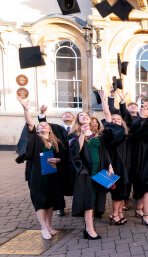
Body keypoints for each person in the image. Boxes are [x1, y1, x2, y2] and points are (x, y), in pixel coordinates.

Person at [69, 110, 124, 239]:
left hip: (99, 172)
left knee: (94, 200)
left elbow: (104, 152)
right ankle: (89, 229)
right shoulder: (74, 136)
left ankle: (89, 226)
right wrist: (82, 134)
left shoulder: (98, 135)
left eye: (86, 115)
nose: (84, 116)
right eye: (81, 115)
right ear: (78, 120)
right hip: (85, 172)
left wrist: (110, 165)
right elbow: (77, 151)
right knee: (88, 201)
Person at [16, 97, 65, 240]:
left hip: (52, 174)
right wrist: (26, 109)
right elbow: (30, 124)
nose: (43, 126)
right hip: (37, 175)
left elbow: (63, 156)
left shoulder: (56, 142)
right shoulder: (35, 140)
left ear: (50, 128)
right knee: (40, 200)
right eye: (40, 126)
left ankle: (49, 224)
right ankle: (43, 227)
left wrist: (59, 159)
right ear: (37, 129)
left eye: (46, 125)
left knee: (51, 200)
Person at [98, 89, 130, 225]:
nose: (115, 120)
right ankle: (114, 214)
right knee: (114, 190)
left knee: (121, 190)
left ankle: (117, 213)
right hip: (111, 162)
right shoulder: (108, 131)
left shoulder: (123, 132)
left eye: (118, 119)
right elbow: (107, 113)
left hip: (122, 163)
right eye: (113, 119)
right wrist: (103, 98)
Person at [37, 106, 74, 217]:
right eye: (65, 114)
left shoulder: (77, 128)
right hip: (59, 160)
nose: (67, 115)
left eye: (69, 114)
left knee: (75, 183)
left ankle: (78, 206)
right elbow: (43, 125)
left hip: (73, 161)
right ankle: (60, 207)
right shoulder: (55, 128)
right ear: (61, 118)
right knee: (59, 183)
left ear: (73, 118)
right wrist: (42, 114)